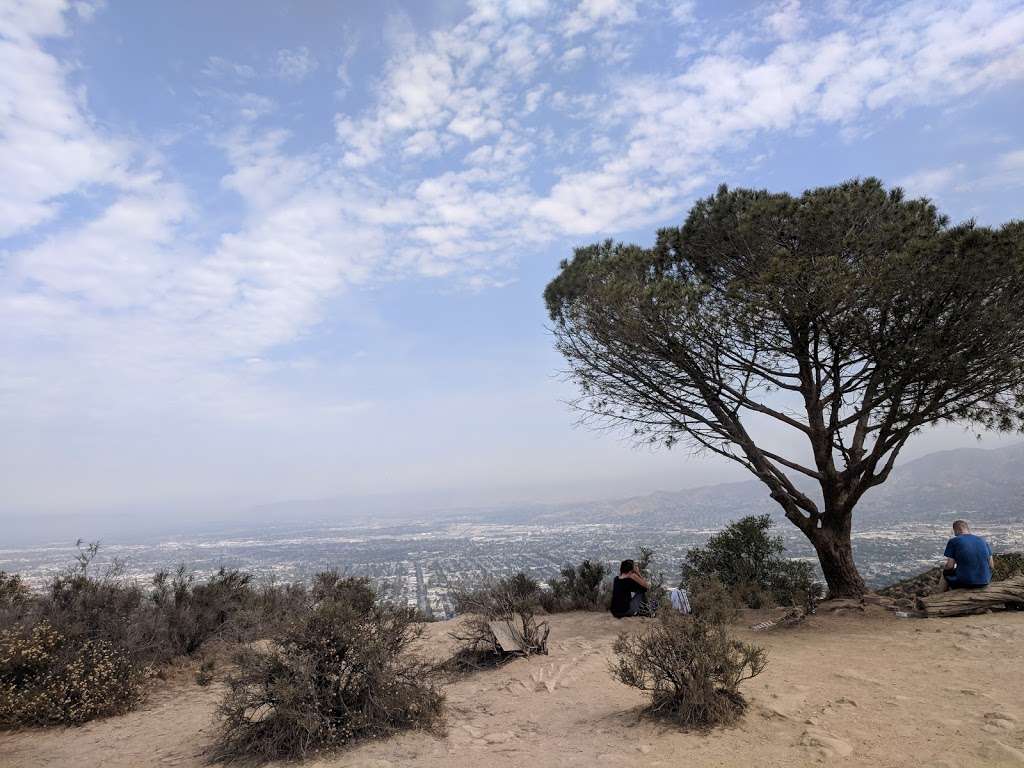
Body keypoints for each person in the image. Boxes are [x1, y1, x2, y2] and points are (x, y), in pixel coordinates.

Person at [941, 520, 994, 591]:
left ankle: (939, 596)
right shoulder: (982, 540)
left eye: (954, 531)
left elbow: (950, 566)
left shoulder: (954, 541)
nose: (955, 534)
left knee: (945, 572)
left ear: (958, 529)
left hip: (966, 582)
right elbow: (991, 565)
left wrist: (946, 570)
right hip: (985, 581)